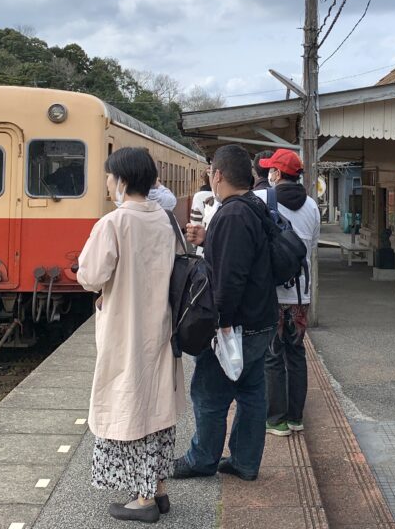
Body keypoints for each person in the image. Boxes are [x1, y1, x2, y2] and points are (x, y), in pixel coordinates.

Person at [77, 147, 184, 524]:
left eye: (109, 176)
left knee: (130, 405)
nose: (107, 183)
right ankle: (158, 488)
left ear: (122, 180)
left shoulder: (114, 223)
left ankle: (143, 500)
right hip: (161, 326)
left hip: (126, 328)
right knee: (156, 404)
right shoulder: (165, 219)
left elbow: (90, 276)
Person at [174, 145, 277, 482]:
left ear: (217, 175)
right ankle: (245, 462)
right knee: (250, 392)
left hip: (238, 324)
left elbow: (230, 278)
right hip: (261, 319)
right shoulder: (254, 206)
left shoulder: (232, 215)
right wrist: (208, 239)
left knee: (209, 392)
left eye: (209, 174)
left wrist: (222, 324)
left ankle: (202, 459)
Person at [252, 148, 320, 437]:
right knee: (296, 353)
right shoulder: (313, 207)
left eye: (271, 169)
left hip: (273, 292)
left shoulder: (262, 200)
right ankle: (296, 418)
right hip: (300, 295)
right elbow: (312, 247)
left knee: (272, 354)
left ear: (277, 174)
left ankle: (276, 420)